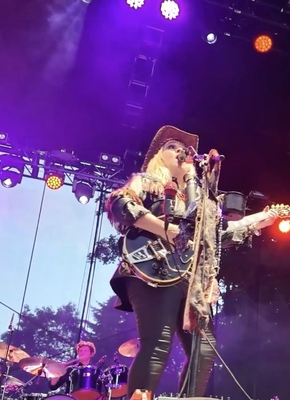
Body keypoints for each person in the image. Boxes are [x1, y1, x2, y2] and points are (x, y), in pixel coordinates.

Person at [105, 125, 279, 398]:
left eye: (184, 149)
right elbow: (120, 203)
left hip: (190, 278)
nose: (180, 152)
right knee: (157, 344)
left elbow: (214, 234)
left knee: (204, 349)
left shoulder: (198, 196)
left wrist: (260, 219)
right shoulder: (147, 181)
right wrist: (167, 230)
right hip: (153, 267)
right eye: (171, 147)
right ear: (159, 156)